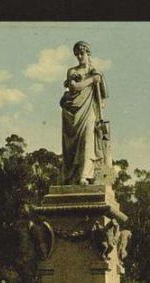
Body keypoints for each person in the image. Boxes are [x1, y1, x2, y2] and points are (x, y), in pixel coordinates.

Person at [60, 41, 107, 185]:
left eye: (82, 53)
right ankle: (72, 176)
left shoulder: (97, 71)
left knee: (88, 140)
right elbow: (74, 87)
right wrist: (92, 79)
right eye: (77, 54)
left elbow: (103, 97)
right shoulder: (72, 71)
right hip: (72, 112)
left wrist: (98, 78)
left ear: (88, 54)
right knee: (73, 148)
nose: (80, 56)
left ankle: (84, 176)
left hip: (89, 109)